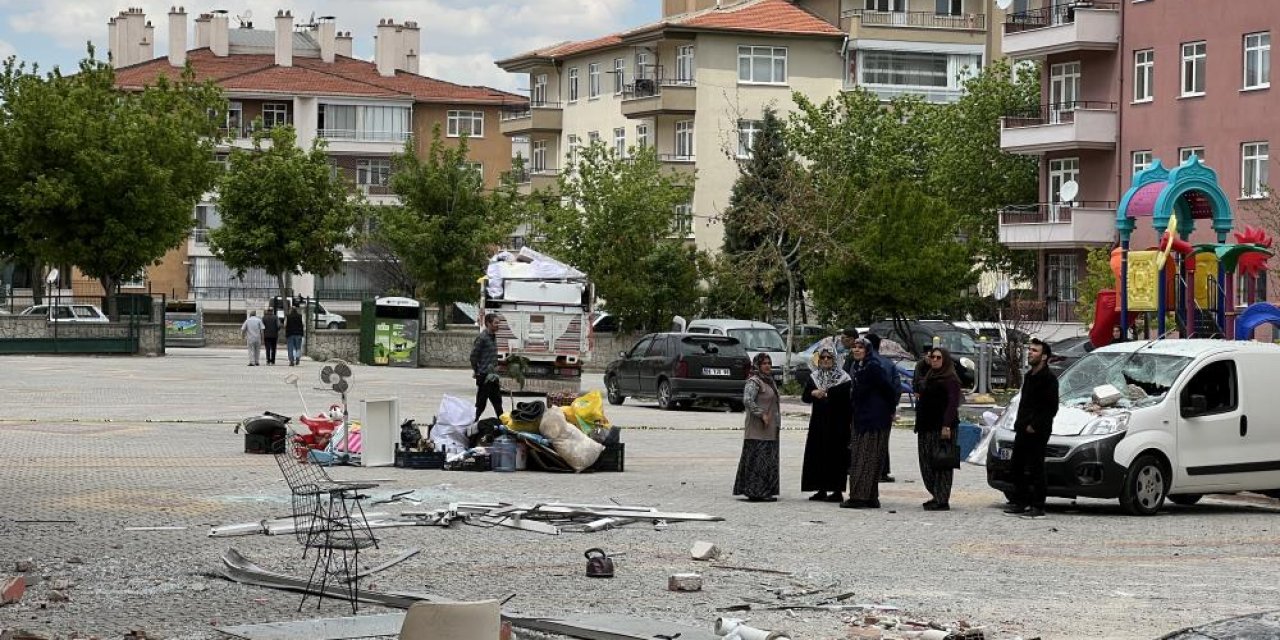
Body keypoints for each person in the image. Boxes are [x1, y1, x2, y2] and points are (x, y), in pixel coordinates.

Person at [1004, 338, 1060, 519]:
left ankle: (1038, 506)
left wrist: (1034, 425)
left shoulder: (1049, 379)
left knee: (1036, 466)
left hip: (1037, 430)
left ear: (1044, 357)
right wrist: (1020, 423)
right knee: (1017, 465)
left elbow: (1051, 407)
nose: (1030, 353)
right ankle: (1020, 501)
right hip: (1022, 428)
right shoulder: (1029, 376)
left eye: (1034, 351)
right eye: (1029, 350)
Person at [842, 337, 896, 509]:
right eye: (854, 347)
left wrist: (889, 409)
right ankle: (869, 496)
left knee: (866, 457)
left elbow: (889, 389)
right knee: (862, 456)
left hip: (873, 419)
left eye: (860, 347)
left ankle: (860, 497)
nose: (856, 350)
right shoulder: (858, 366)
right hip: (862, 417)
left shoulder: (873, 366)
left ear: (867, 350)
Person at [801, 345, 852, 502]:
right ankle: (820, 489)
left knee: (836, 456)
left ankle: (837, 491)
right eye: (822, 358)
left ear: (834, 359)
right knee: (818, 454)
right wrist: (813, 392)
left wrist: (828, 393)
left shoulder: (843, 378)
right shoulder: (815, 377)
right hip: (818, 423)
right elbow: (805, 397)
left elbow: (846, 400)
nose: (825, 360)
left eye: (828, 357)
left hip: (838, 424)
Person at [915, 346, 963, 511]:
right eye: (932, 357)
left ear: (945, 360)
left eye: (938, 357)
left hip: (942, 427)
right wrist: (923, 363)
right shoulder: (930, 376)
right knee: (926, 462)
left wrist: (947, 425)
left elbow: (952, 404)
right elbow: (918, 381)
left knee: (941, 463)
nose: (934, 360)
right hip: (926, 426)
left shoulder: (950, 379)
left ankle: (942, 498)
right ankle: (935, 494)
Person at [734, 353, 782, 502]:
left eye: (769, 363)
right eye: (764, 364)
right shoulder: (754, 381)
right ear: (758, 366)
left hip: (771, 429)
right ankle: (755, 491)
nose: (768, 366)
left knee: (768, 460)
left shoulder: (769, 381)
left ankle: (766, 490)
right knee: (757, 460)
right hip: (757, 428)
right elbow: (747, 400)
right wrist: (761, 414)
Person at [862, 332, 898, 483]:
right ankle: (882, 470)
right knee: (882, 441)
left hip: (865, 410)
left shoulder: (864, 363)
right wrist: (892, 408)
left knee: (865, 443)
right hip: (884, 410)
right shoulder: (888, 363)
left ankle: (868, 471)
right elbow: (896, 387)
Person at [470, 313, 504, 421]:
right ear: (488, 323)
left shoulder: (493, 337)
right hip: (484, 376)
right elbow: (473, 356)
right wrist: (476, 370)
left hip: (493, 376)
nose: (498, 325)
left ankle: (503, 424)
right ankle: (472, 423)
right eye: (496, 323)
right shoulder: (482, 338)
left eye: (498, 323)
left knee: (497, 402)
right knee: (481, 404)